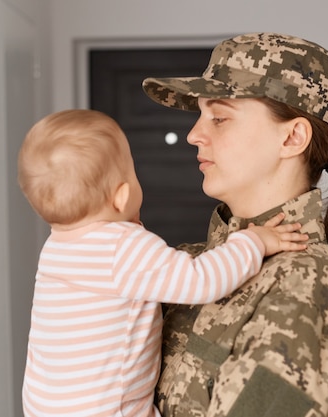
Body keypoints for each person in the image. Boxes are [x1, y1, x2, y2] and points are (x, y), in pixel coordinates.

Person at [142, 32, 328, 417]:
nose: (194, 135)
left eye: (220, 117)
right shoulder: (187, 268)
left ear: (293, 137)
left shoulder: (303, 286)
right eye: (200, 116)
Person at [17, 109, 309, 417]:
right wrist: (254, 242)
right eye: (132, 171)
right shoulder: (122, 246)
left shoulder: (54, 251)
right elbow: (201, 281)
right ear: (122, 195)